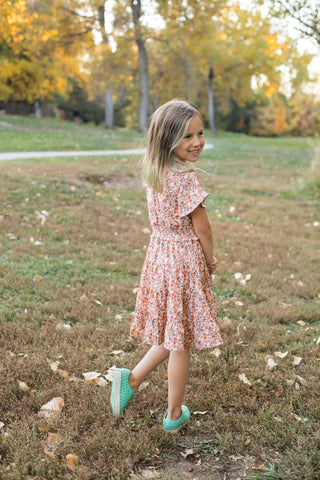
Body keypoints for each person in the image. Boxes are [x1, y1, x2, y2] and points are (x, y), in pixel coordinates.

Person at [110, 99, 222, 433]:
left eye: (200, 133)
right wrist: (210, 259)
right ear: (168, 139)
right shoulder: (186, 180)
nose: (197, 142)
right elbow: (203, 229)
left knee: (175, 330)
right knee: (181, 342)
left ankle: (129, 380)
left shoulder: (155, 171)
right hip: (185, 261)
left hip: (160, 257)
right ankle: (174, 414)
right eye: (187, 136)